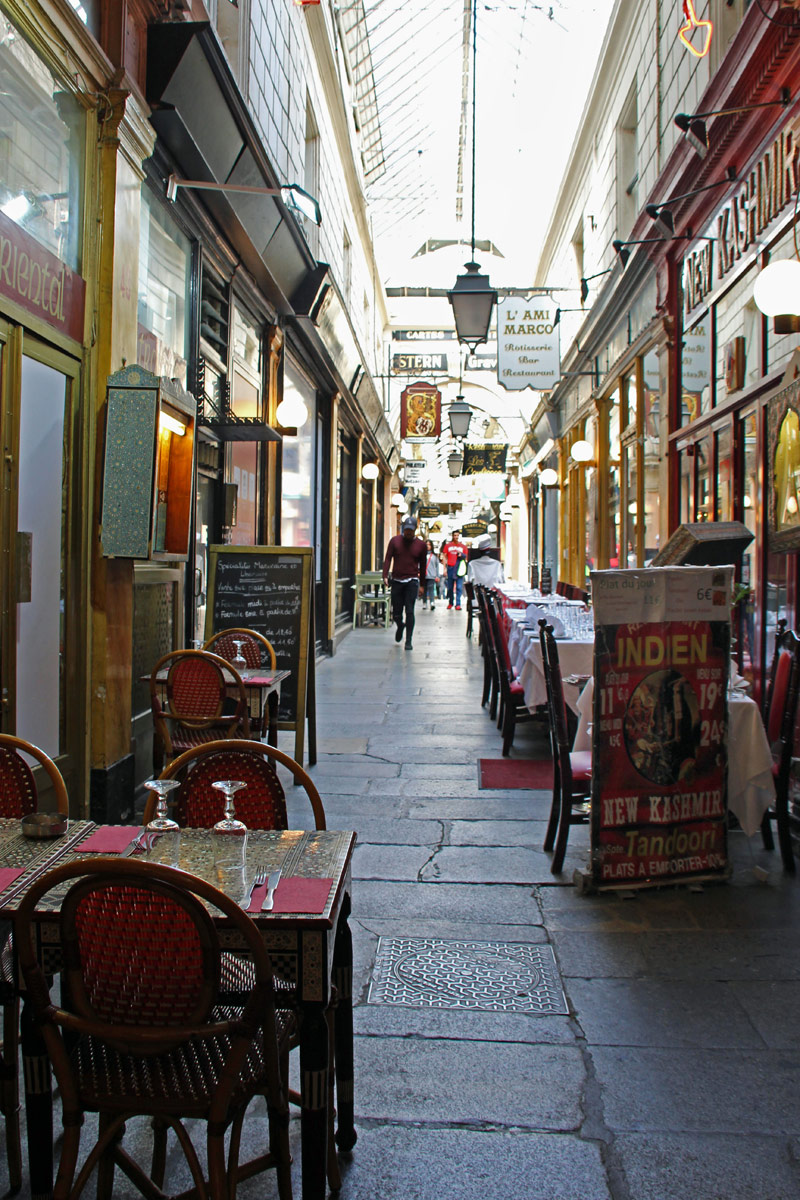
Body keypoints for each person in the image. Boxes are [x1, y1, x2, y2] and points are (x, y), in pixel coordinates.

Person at [383, 516, 425, 650]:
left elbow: (423, 567)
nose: (408, 532)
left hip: (412, 581)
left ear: (415, 530)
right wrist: (385, 575)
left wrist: (422, 585)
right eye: (406, 530)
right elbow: (388, 558)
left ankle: (409, 641)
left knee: (410, 610)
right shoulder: (395, 541)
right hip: (397, 580)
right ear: (403, 528)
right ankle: (400, 625)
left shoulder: (421, 545)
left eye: (411, 530)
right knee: (396, 612)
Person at [441, 529, 467, 610]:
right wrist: (444, 569)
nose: (456, 537)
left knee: (459, 587)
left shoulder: (463, 547)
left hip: (459, 568)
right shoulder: (448, 546)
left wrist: (461, 555)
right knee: (450, 587)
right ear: (452, 536)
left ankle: (458, 604)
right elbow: (445, 557)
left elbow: (466, 557)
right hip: (451, 568)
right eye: (455, 535)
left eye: (457, 535)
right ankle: (451, 602)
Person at [422, 539, 441, 610]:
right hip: (423, 575)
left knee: (431, 589)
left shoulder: (434, 556)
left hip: (432, 575)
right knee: (424, 589)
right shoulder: (422, 555)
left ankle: (432, 602)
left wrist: (437, 575)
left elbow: (437, 566)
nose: (428, 546)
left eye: (429, 545)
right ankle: (424, 603)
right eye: (426, 545)